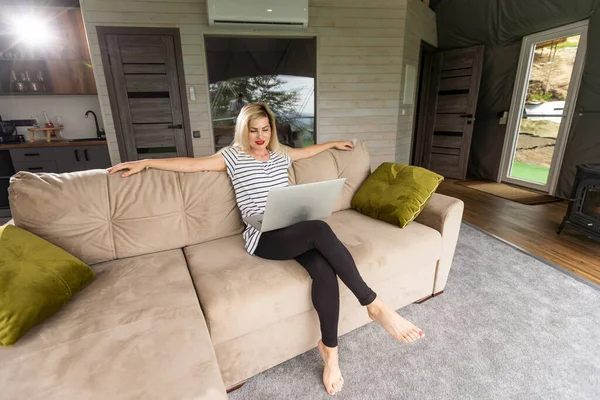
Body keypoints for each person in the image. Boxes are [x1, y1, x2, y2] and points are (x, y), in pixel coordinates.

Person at [108, 103, 425, 396]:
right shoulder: (230, 157)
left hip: (291, 227)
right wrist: (146, 162)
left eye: (265, 129)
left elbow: (306, 151)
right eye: (253, 129)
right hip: (263, 237)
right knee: (318, 228)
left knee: (324, 270)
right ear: (243, 130)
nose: (260, 136)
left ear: (272, 130)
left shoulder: (280, 155)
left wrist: (333, 143)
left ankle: (330, 350)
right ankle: (373, 303)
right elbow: (190, 165)